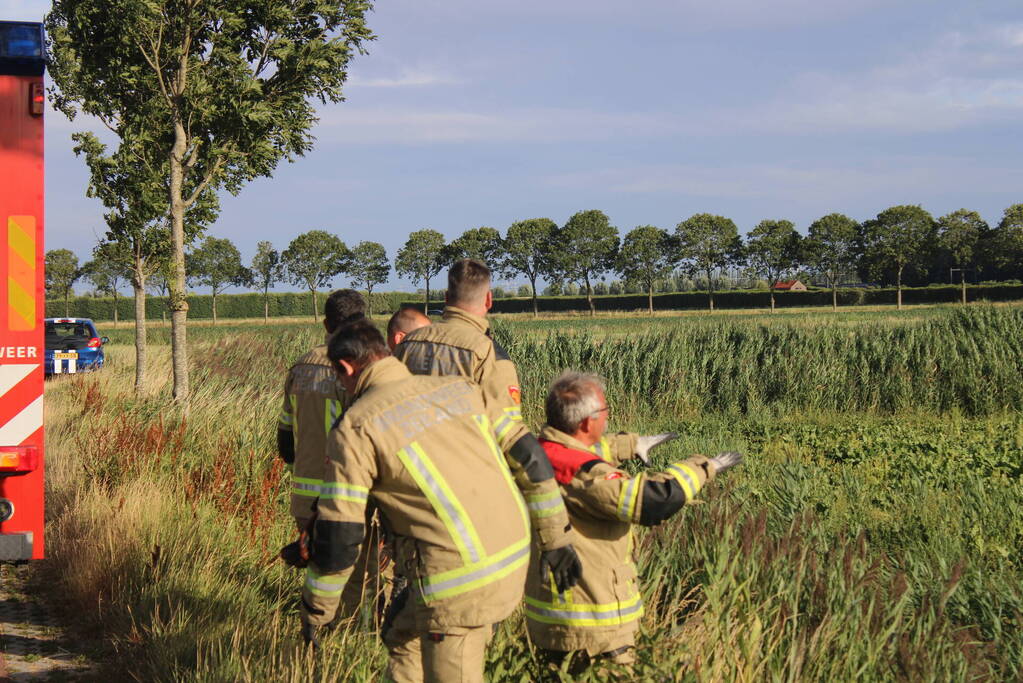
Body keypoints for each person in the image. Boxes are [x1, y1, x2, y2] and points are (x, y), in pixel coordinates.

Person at [524, 371, 743, 675]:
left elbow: (578, 450)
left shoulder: (534, 453)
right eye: (604, 411)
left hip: (552, 615)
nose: (607, 416)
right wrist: (705, 466)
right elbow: (655, 500)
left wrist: (629, 445)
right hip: (595, 627)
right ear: (588, 422)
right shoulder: (589, 477)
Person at [278, 289, 377, 620]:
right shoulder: (360, 366)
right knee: (364, 575)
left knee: (321, 570)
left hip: (306, 496)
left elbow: (285, 439)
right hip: (350, 493)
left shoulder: (302, 365)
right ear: (362, 322)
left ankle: (316, 631)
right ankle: (355, 640)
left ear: (325, 323)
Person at [393, 259, 524, 440]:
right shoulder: (490, 354)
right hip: (468, 463)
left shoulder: (407, 345)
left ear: (446, 298)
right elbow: (509, 432)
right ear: (488, 299)